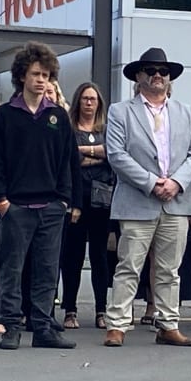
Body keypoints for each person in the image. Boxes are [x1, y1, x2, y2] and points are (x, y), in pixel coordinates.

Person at [102, 48, 191, 348]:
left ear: (170, 78)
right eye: (151, 70)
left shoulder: (186, 112)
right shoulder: (121, 111)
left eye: (163, 71)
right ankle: (118, 323)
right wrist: (151, 183)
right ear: (138, 76)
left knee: (170, 269)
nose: (158, 75)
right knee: (128, 265)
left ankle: (168, 324)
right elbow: (116, 155)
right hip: (137, 200)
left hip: (177, 200)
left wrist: (176, 183)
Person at [0, 42, 80, 351]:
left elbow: (69, 161)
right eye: (36, 74)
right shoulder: (5, 115)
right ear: (22, 76)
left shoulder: (58, 115)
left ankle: (43, 328)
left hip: (51, 206)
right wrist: (1, 201)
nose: (41, 80)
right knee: (11, 269)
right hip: (16, 206)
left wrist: (65, 200)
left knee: (47, 270)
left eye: (46, 75)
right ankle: (11, 327)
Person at [61, 82, 113, 330]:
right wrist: (95, 156)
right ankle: (70, 309)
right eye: (85, 99)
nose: (89, 103)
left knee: (100, 256)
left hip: (102, 199)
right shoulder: (69, 128)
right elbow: (69, 158)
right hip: (76, 199)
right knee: (73, 256)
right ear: (78, 101)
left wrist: (84, 154)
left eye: (93, 99)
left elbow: (112, 153)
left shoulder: (107, 129)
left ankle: (101, 310)